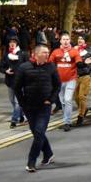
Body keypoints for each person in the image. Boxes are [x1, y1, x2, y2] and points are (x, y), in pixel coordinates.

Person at [13, 44, 61, 172]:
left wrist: (50, 100)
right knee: (37, 133)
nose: (47, 55)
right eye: (44, 52)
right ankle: (49, 154)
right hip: (29, 106)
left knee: (39, 132)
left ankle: (31, 161)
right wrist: (22, 103)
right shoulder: (24, 68)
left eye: (48, 52)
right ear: (36, 54)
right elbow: (16, 87)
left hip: (44, 107)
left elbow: (57, 85)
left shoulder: (51, 67)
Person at [48, 31, 82, 131]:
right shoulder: (56, 52)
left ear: (70, 40)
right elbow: (50, 62)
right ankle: (66, 119)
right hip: (59, 81)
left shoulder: (74, 51)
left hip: (71, 79)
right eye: (64, 39)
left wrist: (80, 63)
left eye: (67, 39)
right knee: (63, 102)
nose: (66, 41)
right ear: (60, 41)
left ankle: (67, 122)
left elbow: (78, 60)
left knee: (67, 100)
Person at [0, 36, 29, 128]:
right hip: (10, 82)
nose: (12, 44)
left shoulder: (23, 54)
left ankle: (14, 120)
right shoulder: (6, 55)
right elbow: (1, 67)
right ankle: (22, 116)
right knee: (12, 101)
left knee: (17, 102)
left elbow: (28, 66)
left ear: (17, 44)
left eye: (14, 42)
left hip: (20, 82)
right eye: (10, 42)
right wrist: (5, 71)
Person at [74, 34, 91, 127]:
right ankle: (85, 108)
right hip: (76, 76)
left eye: (82, 39)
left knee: (82, 96)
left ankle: (81, 116)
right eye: (79, 38)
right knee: (76, 97)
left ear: (85, 41)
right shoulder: (74, 49)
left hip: (86, 75)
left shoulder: (90, 50)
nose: (80, 40)